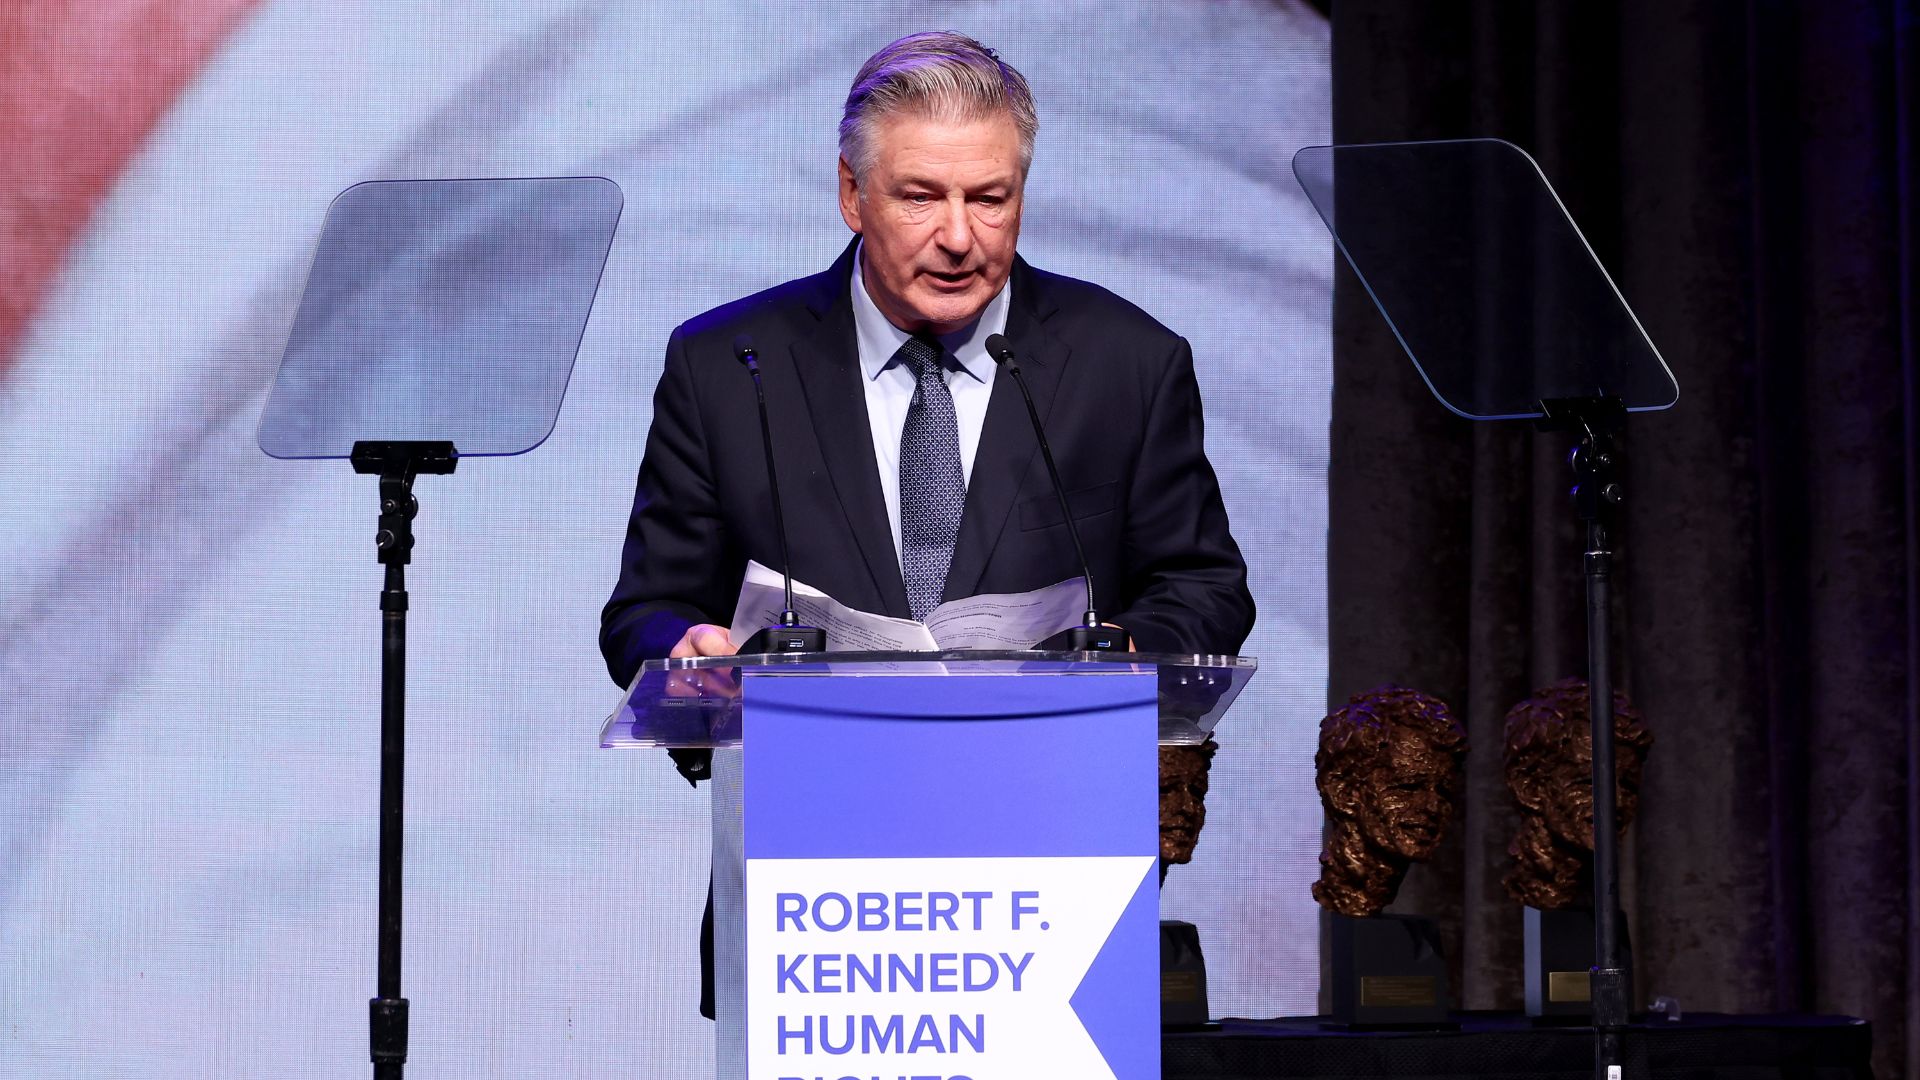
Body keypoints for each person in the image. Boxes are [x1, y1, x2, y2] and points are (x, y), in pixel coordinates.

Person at [600, 31, 1253, 685]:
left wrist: (1133, 653)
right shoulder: (728, 367)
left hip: (1050, 767)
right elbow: (648, 608)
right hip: (814, 772)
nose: (959, 238)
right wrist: (685, 650)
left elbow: (1203, 588)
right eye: (920, 198)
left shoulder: (1128, 363)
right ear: (852, 194)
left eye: (989, 199)